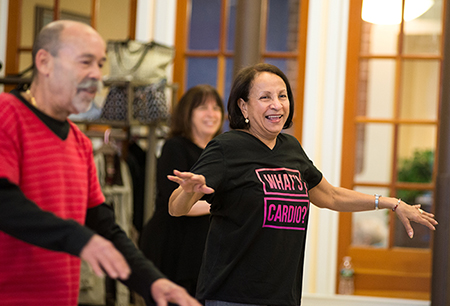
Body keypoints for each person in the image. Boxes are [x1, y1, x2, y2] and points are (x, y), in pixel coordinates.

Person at [167, 63, 438, 306]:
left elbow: (329, 196)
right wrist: (188, 191)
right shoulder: (227, 147)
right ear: (243, 107)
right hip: (233, 295)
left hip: (283, 295)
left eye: (282, 96)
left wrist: (392, 203)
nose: (277, 104)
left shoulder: (291, 148)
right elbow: (175, 209)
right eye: (265, 97)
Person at [0, 20, 200, 306]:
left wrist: (153, 282)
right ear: (44, 62)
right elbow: (4, 203)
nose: (97, 75)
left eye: (100, 64)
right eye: (85, 62)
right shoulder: (6, 115)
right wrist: (78, 238)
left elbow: (104, 226)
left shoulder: (80, 143)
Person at [140, 84, 225, 297]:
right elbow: (177, 204)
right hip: (172, 245)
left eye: (216, 108)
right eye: (202, 108)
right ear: (188, 113)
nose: (211, 114)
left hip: (201, 250)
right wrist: (223, 206)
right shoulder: (175, 147)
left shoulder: (220, 152)